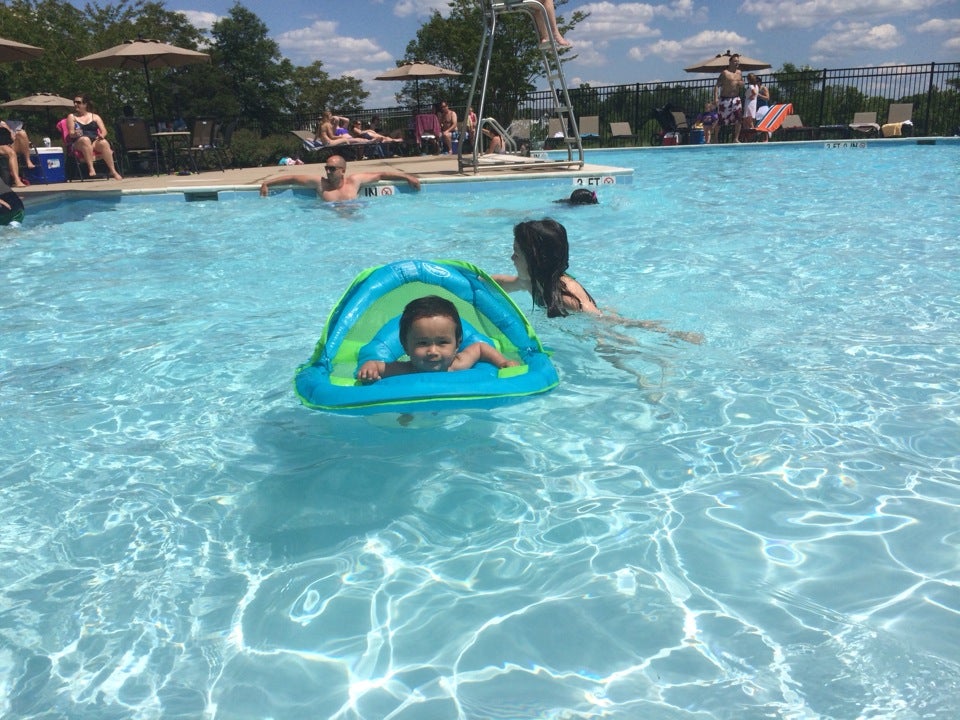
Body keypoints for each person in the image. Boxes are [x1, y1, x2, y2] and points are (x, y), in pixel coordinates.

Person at [492, 219, 703, 343]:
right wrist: (473, 277)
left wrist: (674, 334)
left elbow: (603, 320)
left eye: (517, 253)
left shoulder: (566, 298)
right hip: (588, 320)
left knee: (617, 349)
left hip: (596, 324)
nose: (512, 258)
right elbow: (504, 283)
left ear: (536, 260)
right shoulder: (531, 282)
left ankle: (670, 343)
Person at [356, 295, 518, 383]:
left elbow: (481, 348)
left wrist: (502, 362)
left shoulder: (459, 363)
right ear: (405, 346)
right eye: (422, 343)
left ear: (457, 343)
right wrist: (369, 369)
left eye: (442, 342)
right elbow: (377, 364)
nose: (433, 351)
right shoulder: (406, 369)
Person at [258, 153, 420, 202]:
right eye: (326, 168)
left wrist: (407, 177)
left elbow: (381, 174)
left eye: (332, 169)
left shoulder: (355, 180)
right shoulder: (320, 183)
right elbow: (292, 177)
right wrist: (267, 183)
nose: (328, 172)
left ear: (342, 170)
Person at [66, 94, 122, 179]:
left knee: (104, 142)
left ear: (85, 104)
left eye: (78, 102)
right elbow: (71, 134)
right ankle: (91, 168)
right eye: (74, 102)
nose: (75, 104)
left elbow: (104, 131)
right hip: (79, 143)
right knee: (85, 139)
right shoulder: (72, 117)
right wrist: (75, 134)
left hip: (94, 141)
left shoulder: (95, 117)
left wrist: (101, 135)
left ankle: (113, 171)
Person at [714, 54, 744, 143]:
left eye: (738, 61)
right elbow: (717, 86)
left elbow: (741, 83)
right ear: (730, 62)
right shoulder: (725, 73)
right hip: (725, 99)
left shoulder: (739, 73)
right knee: (720, 120)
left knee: (739, 118)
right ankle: (715, 138)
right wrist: (716, 98)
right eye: (735, 61)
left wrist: (742, 84)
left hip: (736, 99)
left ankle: (736, 138)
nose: (737, 63)